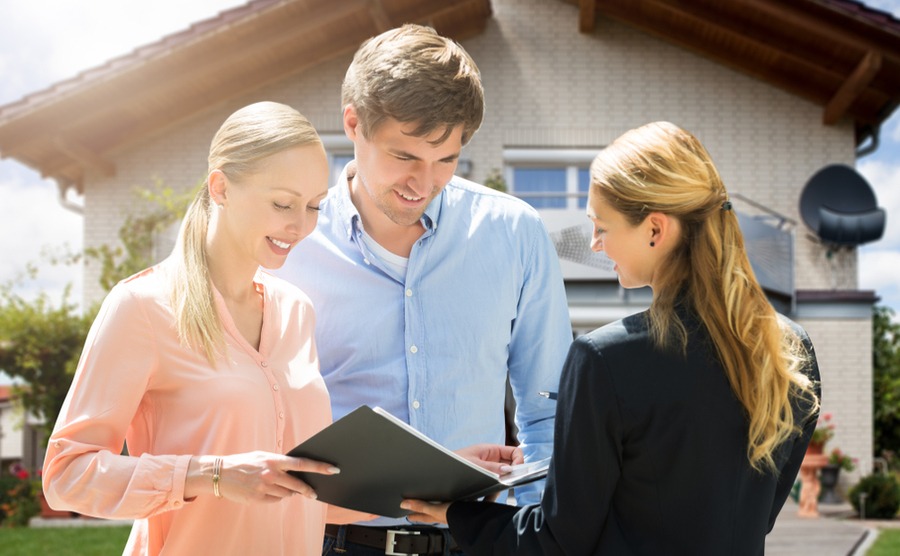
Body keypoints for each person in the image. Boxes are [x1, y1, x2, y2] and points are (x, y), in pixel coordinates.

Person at [401, 121, 822, 555]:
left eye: (601, 227)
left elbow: (557, 544)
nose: (595, 245)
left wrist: (457, 511)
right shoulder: (792, 351)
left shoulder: (605, 359)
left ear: (656, 229)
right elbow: (757, 514)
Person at [278, 24, 573, 555]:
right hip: (326, 541)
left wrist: (536, 537)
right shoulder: (291, 244)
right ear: (354, 124)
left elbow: (548, 412)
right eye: (404, 157)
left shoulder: (514, 233)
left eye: (446, 161)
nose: (422, 184)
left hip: (477, 541)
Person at [42, 101, 345, 555]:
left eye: (314, 206)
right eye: (283, 203)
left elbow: (304, 490)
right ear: (220, 187)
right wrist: (212, 474)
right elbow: (66, 477)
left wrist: (437, 475)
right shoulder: (142, 307)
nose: (300, 225)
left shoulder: (296, 311)